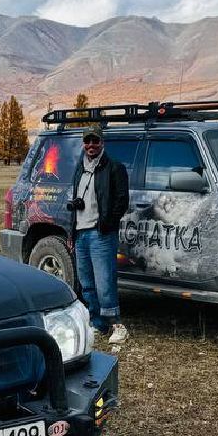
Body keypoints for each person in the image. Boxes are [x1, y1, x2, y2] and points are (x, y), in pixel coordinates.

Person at [68, 124, 130, 344]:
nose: (91, 145)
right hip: (81, 232)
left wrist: (107, 224)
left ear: (102, 142)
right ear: (83, 144)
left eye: (95, 141)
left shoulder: (114, 167)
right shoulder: (79, 168)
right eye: (87, 141)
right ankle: (97, 323)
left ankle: (117, 325)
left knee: (105, 281)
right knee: (87, 282)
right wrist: (71, 231)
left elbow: (122, 201)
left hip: (100, 233)